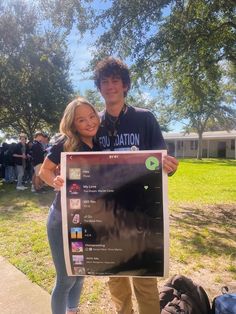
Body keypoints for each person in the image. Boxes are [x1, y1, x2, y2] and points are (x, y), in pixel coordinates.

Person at [94, 57, 179, 314]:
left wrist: (169, 167)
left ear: (125, 85)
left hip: (140, 211)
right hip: (105, 213)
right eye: (105, 82)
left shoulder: (145, 118)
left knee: (144, 277)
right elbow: (80, 164)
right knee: (116, 277)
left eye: (115, 81)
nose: (110, 86)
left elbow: (160, 161)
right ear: (99, 87)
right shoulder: (92, 123)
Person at [39, 97, 100, 314]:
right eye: (82, 120)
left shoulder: (101, 143)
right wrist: (53, 181)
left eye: (92, 116)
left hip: (86, 219)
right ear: (73, 124)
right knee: (66, 279)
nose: (89, 122)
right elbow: (44, 171)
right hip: (61, 220)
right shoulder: (65, 143)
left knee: (80, 273)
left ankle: (72, 311)